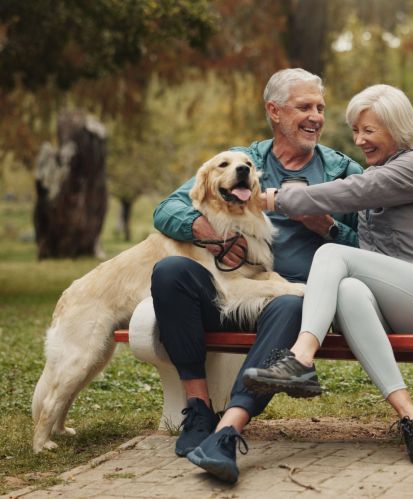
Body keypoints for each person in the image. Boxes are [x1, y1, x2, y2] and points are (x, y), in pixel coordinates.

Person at [150, 68, 363, 483]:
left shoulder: (341, 171)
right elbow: (167, 209)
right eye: (304, 107)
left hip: (292, 303)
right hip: (230, 290)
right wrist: (206, 232)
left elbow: (375, 248)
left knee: (288, 302)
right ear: (274, 111)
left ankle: (227, 431)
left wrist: (331, 229)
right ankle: (197, 410)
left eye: (320, 108)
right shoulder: (243, 161)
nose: (316, 117)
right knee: (171, 270)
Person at [242, 84, 413, 465]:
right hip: (398, 303)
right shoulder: (382, 172)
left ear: (396, 127)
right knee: (347, 289)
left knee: (332, 257)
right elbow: (370, 254)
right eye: (356, 131)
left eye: (369, 131)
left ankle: (301, 357)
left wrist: (271, 198)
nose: (360, 140)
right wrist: (331, 230)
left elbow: (353, 190)